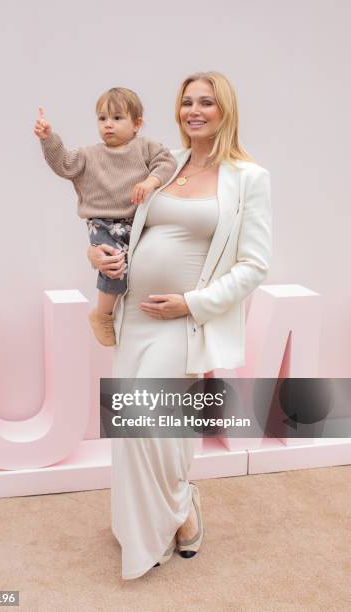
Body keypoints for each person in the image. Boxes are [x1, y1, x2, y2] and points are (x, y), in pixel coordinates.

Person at [87, 71, 272, 580]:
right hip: (134, 317)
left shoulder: (248, 178)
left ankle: (180, 507)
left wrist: (190, 303)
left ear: (224, 110)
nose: (194, 110)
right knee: (137, 428)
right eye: (187, 102)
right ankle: (150, 524)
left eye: (206, 102)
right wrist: (96, 253)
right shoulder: (162, 166)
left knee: (154, 423)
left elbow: (254, 265)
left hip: (185, 322)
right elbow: (115, 222)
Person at [33, 87, 177, 346]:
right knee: (113, 266)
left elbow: (166, 162)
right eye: (102, 119)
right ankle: (102, 314)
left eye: (117, 118)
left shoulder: (145, 147)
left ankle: (138, 317)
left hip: (138, 221)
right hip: (102, 222)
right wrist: (48, 139)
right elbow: (63, 164)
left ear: (137, 124)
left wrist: (151, 181)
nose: (108, 125)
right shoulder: (89, 155)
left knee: (144, 267)